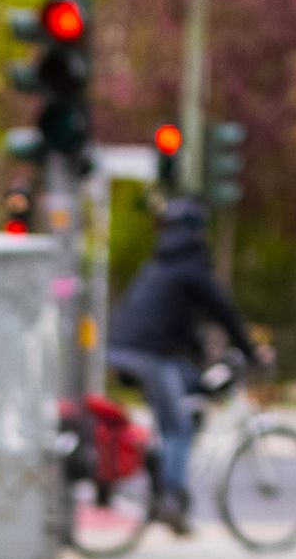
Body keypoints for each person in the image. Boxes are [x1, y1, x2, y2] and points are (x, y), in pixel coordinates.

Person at [107, 197, 254, 531]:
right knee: (178, 427)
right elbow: (222, 311)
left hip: (127, 348)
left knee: (192, 389)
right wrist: (250, 349)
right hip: (148, 354)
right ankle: (172, 499)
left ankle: (161, 466)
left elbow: (180, 321)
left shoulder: (161, 262)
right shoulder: (191, 265)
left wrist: (199, 353)